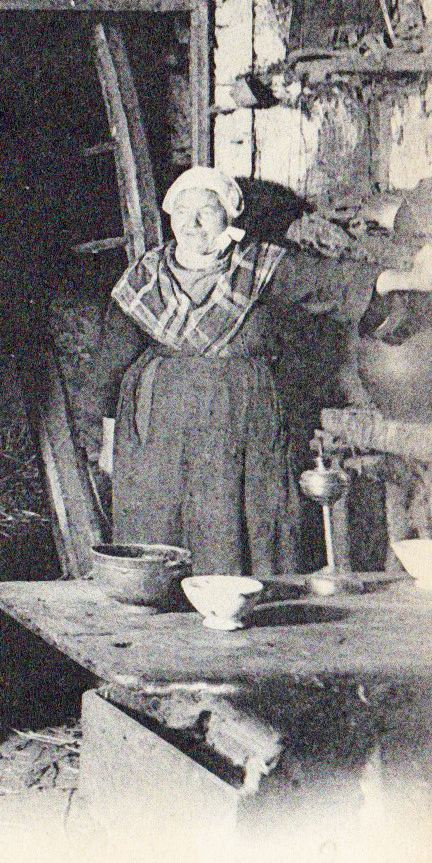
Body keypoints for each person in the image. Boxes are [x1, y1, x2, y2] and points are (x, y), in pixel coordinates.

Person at [94, 167, 432, 581]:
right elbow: (109, 367)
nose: (193, 223)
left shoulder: (262, 267)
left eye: (207, 210)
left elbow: (335, 283)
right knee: (162, 524)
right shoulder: (144, 280)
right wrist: (109, 438)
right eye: (182, 211)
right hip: (159, 439)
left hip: (244, 429)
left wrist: (408, 278)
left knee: (247, 527)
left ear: (229, 215)